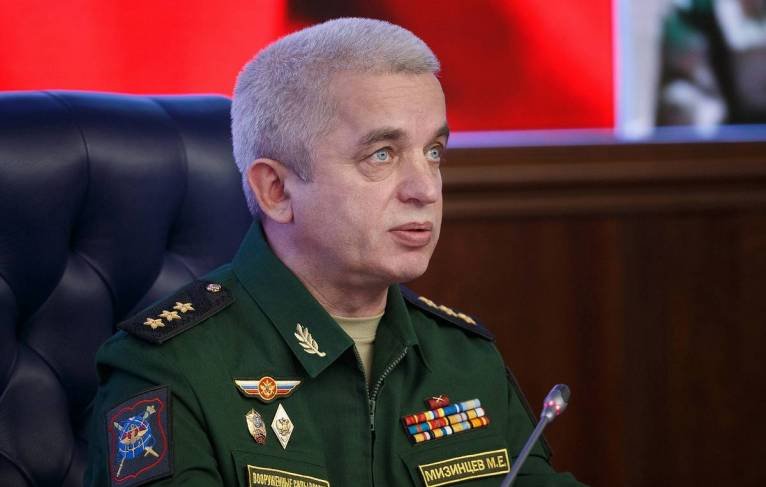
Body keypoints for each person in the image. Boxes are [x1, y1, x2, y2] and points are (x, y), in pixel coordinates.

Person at [84, 18, 585, 486]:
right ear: (276, 190)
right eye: (382, 155)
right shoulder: (168, 369)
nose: (426, 189)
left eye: (433, 152)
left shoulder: (465, 358)